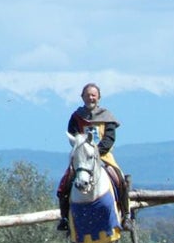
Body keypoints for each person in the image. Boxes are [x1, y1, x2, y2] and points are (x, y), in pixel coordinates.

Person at [56, 83, 130, 232]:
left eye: (93, 95)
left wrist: (97, 151)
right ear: (82, 97)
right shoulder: (76, 117)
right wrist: (84, 151)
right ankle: (64, 217)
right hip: (83, 157)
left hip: (104, 156)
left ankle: (126, 215)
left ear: (99, 97)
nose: (91, 98)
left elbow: (109, 138)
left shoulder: (107, 117)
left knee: (119, 179)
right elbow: (74, 136)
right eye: (88, 95)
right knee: (66, 182)